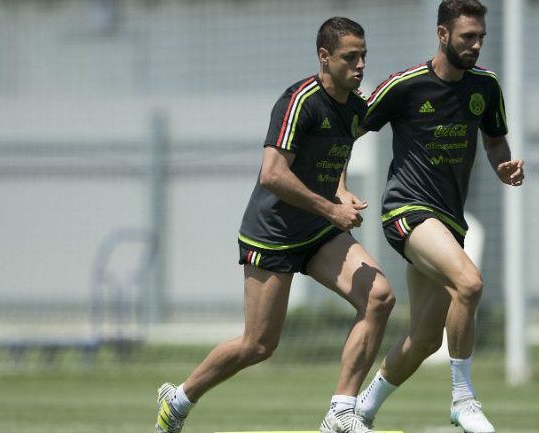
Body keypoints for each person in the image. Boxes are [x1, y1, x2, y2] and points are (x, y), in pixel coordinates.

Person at [155, 17, 394, 433]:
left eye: (363, 57)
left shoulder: (355, 108)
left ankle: (340, 410)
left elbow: (336, 153)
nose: (359, 66)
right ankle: (178, 399)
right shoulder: (299, 101)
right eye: (350, 57)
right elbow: (272, 174)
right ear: (324, 57)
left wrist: (340, 188)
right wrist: (331, 208)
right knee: (259, 345)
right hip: (273, 235)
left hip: (318, 230)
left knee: (379, 298)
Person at [354, 1, 525, 432]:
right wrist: (336, 188)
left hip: (448, 221)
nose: (477, 45)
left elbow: (495, 141)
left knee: (425, 339)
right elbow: (347, 129)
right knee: (470, 282)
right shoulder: (405, 85)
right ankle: (463, 400)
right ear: (443, 34)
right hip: (406, 210)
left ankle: (359, 412)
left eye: (481, 36)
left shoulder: (485, 87)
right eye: (468, 36)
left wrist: (505, 164)